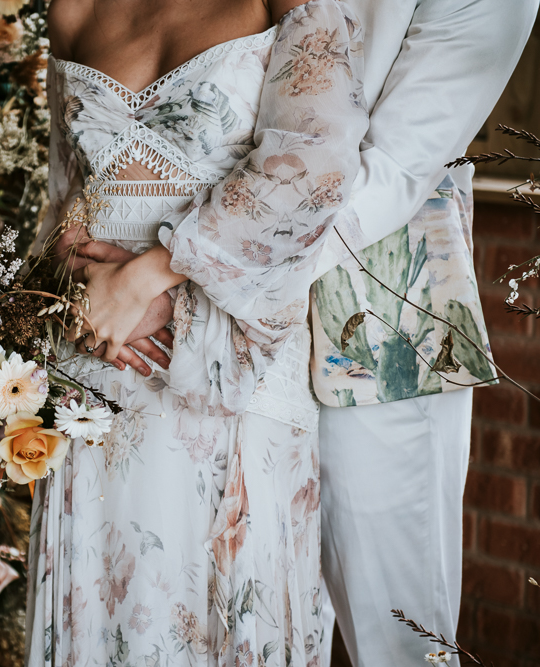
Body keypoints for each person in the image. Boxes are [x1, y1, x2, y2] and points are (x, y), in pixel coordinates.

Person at [47, 1, 540, 665]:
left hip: (378, 322)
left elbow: (392, 169)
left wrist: (180, 275)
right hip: (179, 315)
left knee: (394, 630)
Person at [27, 0, 368, 664]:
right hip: (97, 362)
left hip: (228, 355)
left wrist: (152, 277)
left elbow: (314, 167)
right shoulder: (72, 7)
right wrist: (71, 287)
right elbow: (62, 193)